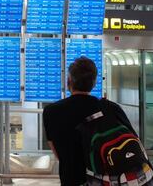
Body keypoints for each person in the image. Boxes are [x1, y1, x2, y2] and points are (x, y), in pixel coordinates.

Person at [43, 56, 137, 185]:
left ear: (68, 81)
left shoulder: (51, 112)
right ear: (94, 83)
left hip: (71, 179)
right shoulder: (111, 109)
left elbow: (58, 153)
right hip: (106, 180)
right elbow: (131, 143)